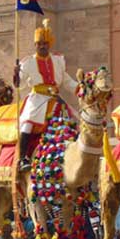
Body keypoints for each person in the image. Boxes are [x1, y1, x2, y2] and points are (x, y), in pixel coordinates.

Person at [14, 19, 78, 171]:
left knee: (74, 123)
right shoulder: (28, 62)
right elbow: (19, 84)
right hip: (37, 100)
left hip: (55, 100)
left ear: (49, 44)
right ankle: (23, 159)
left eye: (45, 43)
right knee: (27, 125)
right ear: (35, 45)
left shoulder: (58, 60)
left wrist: (81, 88)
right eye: (39, 44)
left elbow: (66, 81)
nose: (42, 46)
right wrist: (16, 74)